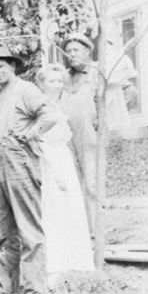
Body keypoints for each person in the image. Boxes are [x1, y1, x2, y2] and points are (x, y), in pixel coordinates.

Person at [0, 44, 61, 294]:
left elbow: (50, 115)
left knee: (27, 226)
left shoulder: (25, 89)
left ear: (13, 66)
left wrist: (31, 134)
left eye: (1, 66)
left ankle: (34, 290)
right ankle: (6, 287)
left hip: (19, 159)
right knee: (3, 228)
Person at [35, 63, 95, 287]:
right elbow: (39, 140)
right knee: (53, 211)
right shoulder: (40, 106)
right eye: (52, 81)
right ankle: (53, 268)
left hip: (63, 159)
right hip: (49, 163)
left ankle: (72, 263)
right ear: (41, 83)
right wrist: (55, 172)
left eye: (60, 81)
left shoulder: (57, 105)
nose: (57, 85)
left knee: (69, 210)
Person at [59, 33, 98, 228]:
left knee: (92, 184)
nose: (72, 54)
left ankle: (97, 230)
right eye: (68, 51)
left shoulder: (97, 72)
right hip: (67, 138)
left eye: (76, 50)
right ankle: (81, 231)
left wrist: (102, 120)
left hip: (89, 136)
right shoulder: (64, 78)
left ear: (87, 52)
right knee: (73, 184)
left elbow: (127, 92)